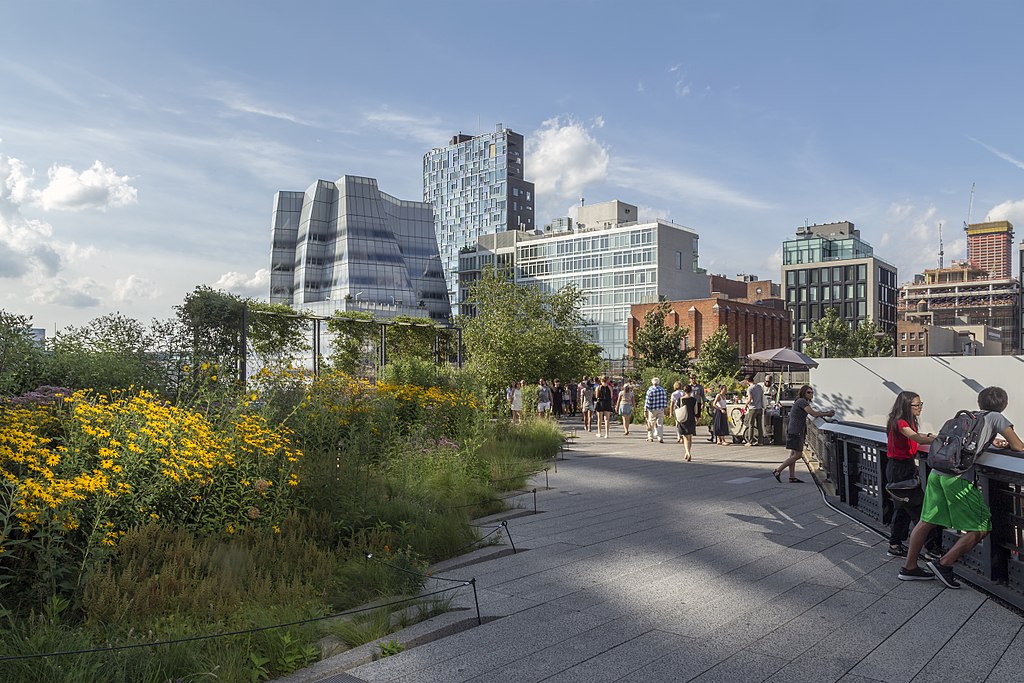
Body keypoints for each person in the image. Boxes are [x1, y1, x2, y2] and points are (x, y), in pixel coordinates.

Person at [900, 386, 1024, 587]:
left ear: (979, 403)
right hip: (956, 478)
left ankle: (909, 568)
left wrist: (994, 442)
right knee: (982, 525)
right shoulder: (997, 418)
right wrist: (1008, 444)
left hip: (936, 473)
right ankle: (944, 564)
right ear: (1005, 404)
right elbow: (1019, 446)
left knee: (926, 521)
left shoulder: (970, 416)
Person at [883, 391, 938, 558]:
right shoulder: (900, 422)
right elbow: (916, 439)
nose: (920, 408)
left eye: (921, 404)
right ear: (906, 406)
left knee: (902, 508)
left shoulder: (904, 421)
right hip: (900, 469)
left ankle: (895, 544)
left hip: (900, 468)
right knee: (919, 508)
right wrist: (941, 439)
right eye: (916, 405)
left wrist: (929, 436)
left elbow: (917, 437)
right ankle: (932, 549)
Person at [771, 385, 834, 482]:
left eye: (812, 392)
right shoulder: (802, 401)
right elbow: (813, 413)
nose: (811, 394)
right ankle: (778, 470)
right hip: (796, 431)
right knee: (798, 455)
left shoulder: (800, 401)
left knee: (793, 454)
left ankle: (792, 477)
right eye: (808, 392)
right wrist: (827, 414)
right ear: (803, 393)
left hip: (793, 430)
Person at [672, 384, 698, 461]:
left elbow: (676, 409)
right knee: (689, 437)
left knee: (685, 437)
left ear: (684, 391)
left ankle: (688, 452)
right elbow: (696, 411)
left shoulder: (680, 399)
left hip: (683, 419)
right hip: (691, 418)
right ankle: (688, 452)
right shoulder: (694, 400)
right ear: (691, 391)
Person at [644, 377, 668, 443]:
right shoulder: (662, 390)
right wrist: (665, 408)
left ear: (652, 382)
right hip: (660, 409)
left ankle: (650, 437)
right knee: (660, 423)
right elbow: (665, 401)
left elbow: (647, 401)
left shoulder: (650, 390)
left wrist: (645, 410)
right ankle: (660, 437)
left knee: (651, 423)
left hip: (652, 409)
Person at [744, 374, 765, 447]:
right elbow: (762, 397)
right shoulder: (759, 387)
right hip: (759, 408)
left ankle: (750, 441)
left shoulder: (750, 388)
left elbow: (749, 399)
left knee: (751, 425)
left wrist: (746, 404)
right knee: (759, 425)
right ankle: (760, 441)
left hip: (752, 408)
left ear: (747, 381)